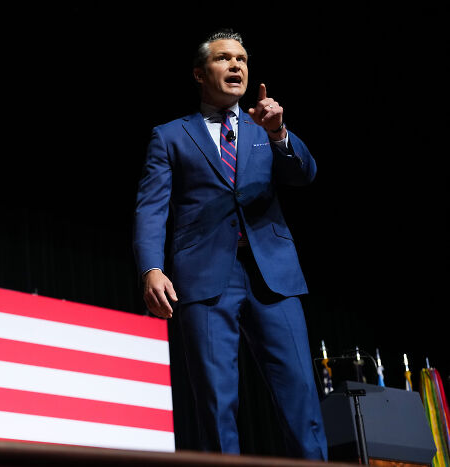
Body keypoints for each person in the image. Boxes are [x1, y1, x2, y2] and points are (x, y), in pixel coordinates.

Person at [133, 29, 327, 459]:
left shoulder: (265, 126)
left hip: (273, 275)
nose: (236, 65)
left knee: (299, 393)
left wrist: (279, 134)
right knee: (216, 402)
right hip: (203, 278)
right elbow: (151, 208)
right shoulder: (169, 136)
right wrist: (151, 268)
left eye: (241, 58)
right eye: (224, 58)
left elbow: (304, 175)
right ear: (201, 74)